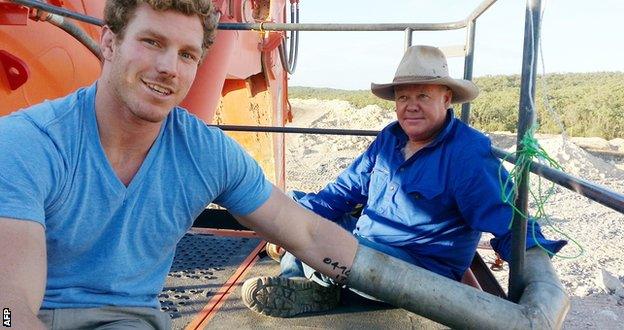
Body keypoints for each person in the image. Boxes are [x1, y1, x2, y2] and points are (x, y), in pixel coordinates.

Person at [0, 1, 360, 329]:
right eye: (152, 42)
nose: (168, 68)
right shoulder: (29, 142)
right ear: (109, 43)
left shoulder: (205, 153)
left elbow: (308, 235)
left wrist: (408, 283)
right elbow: (8, 303)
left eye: (187, 55)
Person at [241, 45, 567, 317]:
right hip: (364, 248)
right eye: (402, 97)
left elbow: (510, 222)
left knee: (320, 238)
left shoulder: (468, 155)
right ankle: (305, 284)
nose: (410, 106)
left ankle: (311, 278)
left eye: (423, 95)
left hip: (417, 269)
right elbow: (343, 190)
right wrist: (288, 215)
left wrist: (537, 270)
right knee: (305, 214)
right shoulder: (390, 138)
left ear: (447, 98)